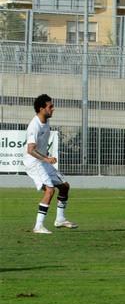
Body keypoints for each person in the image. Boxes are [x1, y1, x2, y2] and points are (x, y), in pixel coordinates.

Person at [23, 94, 76, 234]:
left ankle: (60, 219)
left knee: (64, 186)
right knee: (50, 190)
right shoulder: (34, 126)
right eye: (50, 106)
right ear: (41, 109)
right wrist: (46, 159)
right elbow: (30, 150)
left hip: (42, 161)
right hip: (34, 163)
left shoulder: (45, 121)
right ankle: (38, 226)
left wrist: (45, 159)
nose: (53, 109)